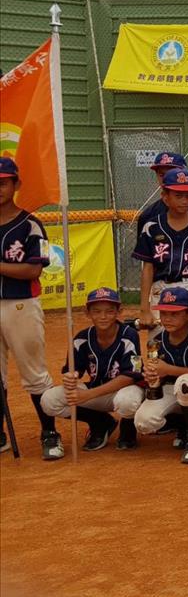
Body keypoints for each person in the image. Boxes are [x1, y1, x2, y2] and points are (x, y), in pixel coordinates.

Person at [0, 157, 60, 459]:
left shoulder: (31, 225)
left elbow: (34, 269)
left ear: (15, 184)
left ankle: (49, 432)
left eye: (4, 182)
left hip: (20, 304)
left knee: (34, 373)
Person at [40, 288, 145, 453]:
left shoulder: (129, 335)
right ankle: (100, 422)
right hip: (97, 390)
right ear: (87, 312)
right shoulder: (82, 338)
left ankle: (128, 428)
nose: (103, 316)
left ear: (119, 311)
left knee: (128, 401)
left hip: (123, 390)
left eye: (109, 311)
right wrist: (71, 377)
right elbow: (73, 371)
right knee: (49, 400)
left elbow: (130, 377)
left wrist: (88, 395)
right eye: (96, 311)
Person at [133, 286, 188, 464]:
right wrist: (152, 376)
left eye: (175, 314)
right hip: (175, 390)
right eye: (164, 313)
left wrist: (168, 370)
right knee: (143, 422)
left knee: (185, 383)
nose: (167, 319)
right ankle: (182, 426)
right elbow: (155, 378)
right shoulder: (156, 341)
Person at [134, 168, 188, 329]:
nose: (184, 200)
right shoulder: (152, 227)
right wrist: (144, 307)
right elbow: (148, 268)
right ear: (165, 197)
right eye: (178, 195)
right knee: (159, 342)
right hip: (162, 288)